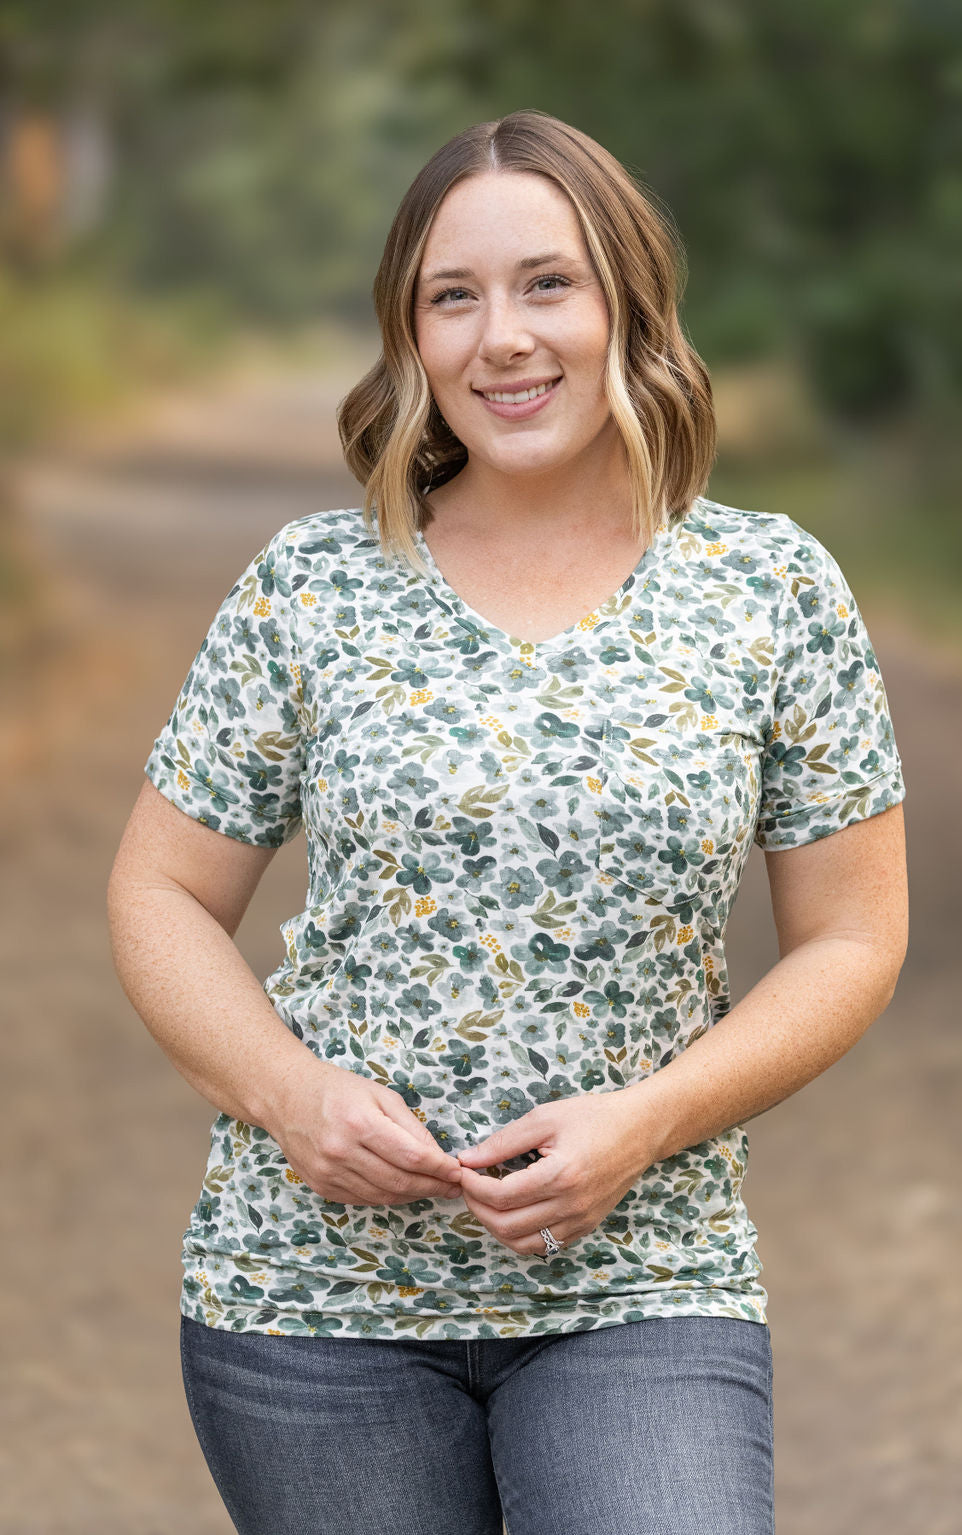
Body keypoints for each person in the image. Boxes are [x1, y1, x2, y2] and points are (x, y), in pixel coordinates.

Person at [108, 109, 908, 1535]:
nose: (503, 340)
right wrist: (289, 1097)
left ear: (627, 304)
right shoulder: (315, 586)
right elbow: (160, 894)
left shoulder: (768, 590)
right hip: (311, 1307)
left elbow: (853, 936)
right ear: (410, 338)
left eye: (548, 283)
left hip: (645, 1286)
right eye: (451, 297)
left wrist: (647, 1123)